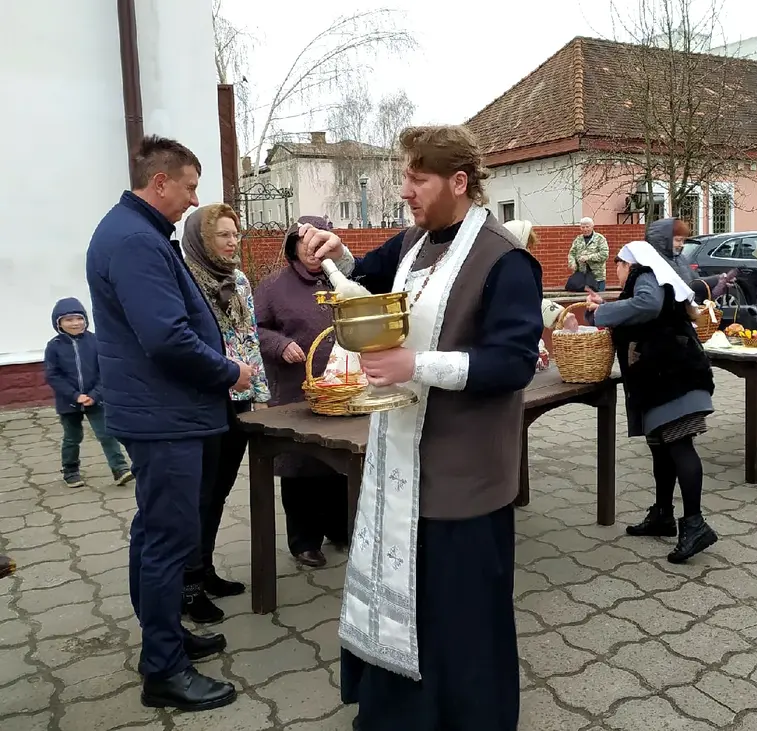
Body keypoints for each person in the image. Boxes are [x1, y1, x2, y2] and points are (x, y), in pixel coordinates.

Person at [307, 125, 542, 731]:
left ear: (457, 183)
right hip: (400, 463)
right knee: (408, 599)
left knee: (458, 611)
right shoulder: (416, 241)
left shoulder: (504, 259)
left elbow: (514, 363)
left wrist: (416, 365)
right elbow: (369, 273)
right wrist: (330, 251)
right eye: (404, 176)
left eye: (417, 178)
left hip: (462, 475)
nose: (404, 189)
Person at [86, 135, 251, 711]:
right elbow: (166, 337)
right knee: (166, 540)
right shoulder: (134, 240)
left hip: (160, 411)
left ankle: (164, 639)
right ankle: (163, 669)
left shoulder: (134, 232)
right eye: (189, 186)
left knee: (153, 533)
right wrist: (229, 371)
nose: (193, 199)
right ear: (160, 183)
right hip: (164, 415)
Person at [586, 241, 718, 563]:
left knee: (679, 446)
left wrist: (602, 312)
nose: (613, 270)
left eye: (615, 263)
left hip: (672, 376)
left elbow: (647, 305)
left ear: (626, 263)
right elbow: (640, 310)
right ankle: (662, 515)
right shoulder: (651, 278)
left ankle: (695, 524)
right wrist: (607, 305)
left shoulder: (645, 275)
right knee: (661, 446)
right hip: (662, 377)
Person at [179, 203, 271, 624]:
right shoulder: (186, 280)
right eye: (223, 235)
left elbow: (248, 336)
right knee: (198, 495)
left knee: (218, 491)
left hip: (239, 397)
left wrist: (257, 392)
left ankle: (207, 570)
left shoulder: (238, 280)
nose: (233, 243)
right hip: (203, 399)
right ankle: (189, 587)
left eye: (236, 235)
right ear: (202, 239)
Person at [254, 216, 355, 568]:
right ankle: (304, 541)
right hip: (296, 392)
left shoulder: (340, 280)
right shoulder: (272, 287)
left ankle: (339, 529)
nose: (313, 252)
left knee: (337, 461)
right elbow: (255, 330)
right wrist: (280, 345)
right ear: (293, 246)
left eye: (318, 244)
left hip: (340, 387)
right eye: (305, 244)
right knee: (301, 466)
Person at [44, 297, 133, 488]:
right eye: (68, 320)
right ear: (58, 323)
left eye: (79, 318)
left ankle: (120, 469)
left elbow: (105, 371)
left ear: (85, 319)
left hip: (96, 399)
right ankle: (70, 471)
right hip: (69, 401)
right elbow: (53, 376)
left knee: (107, 434)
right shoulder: (54, 346)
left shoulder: (96, 341)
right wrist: (76, 395)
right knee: (72, 437)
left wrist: (94, 394)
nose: (75, 323)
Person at [567, 216, 609, 291]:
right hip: (582, 277)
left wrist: (588, 257)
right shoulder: (578, 239)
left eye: (587, 227)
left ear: (592, 226)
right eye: (583, 227)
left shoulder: (600, 239)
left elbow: (604, 254)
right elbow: (571, 254)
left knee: (598, 300)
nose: (585, 229)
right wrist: (572, 263)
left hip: (597, 277)